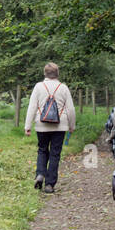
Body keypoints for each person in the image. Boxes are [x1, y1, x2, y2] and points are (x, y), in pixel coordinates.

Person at [24, 62, 76, 192]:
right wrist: (71, 125)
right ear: (57, 73)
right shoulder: (63, 87)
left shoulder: (38, 87)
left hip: (42, 125)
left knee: (42, 150)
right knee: (55, 153)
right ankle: (49, 184)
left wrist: (27, 126)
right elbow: (70, 109)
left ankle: (40, 174)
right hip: (60, 126)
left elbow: (32, 107)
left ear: (45, 73)